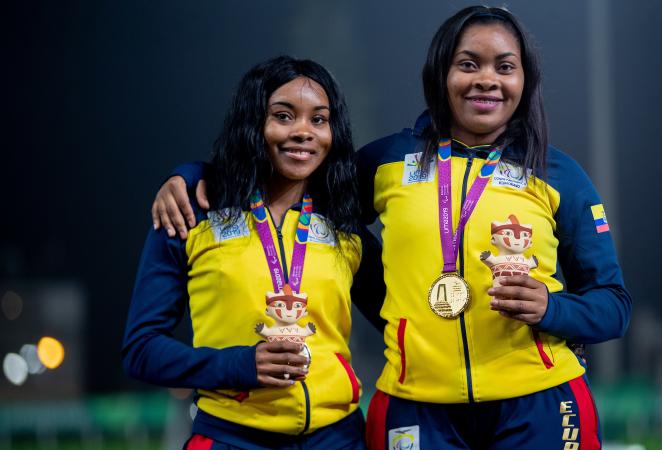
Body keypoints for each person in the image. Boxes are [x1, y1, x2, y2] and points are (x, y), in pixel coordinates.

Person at [153, 6, 632, 450]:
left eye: (504, 67)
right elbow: (289, 179)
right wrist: (196, 175)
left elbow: (612, 305)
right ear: (440, 73)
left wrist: (552, 308)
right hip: (416, 405)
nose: (487, 80)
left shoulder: (557, 174)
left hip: (541, 402)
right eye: (468, 64)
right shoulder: (385, 162)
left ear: (525, 81)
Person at [123, 56, 384, 450]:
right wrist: (238, 365)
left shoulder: (344, 228)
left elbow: (406, 323)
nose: (303, 132)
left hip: (338, 438)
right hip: (232, 438)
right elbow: (141, 349)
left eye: (318, 119)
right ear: (252, 124)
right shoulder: (191, 216)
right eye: (283, 116)